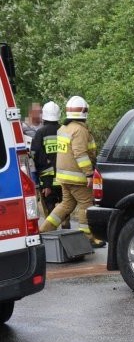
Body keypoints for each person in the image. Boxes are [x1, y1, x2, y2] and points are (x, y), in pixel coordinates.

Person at [39, 96, 104, 248]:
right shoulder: (79, 130)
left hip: (63, 177)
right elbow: (80, 154)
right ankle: (87, 237)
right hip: (78, 178)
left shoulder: (64, 129)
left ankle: (43, 230)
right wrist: (89, 174)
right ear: (84, 112)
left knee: (66, 205)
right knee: (86, 205)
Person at [30, 101, 64, 220]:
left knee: (50, 208)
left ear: (44, 115)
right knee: (65, 206)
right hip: (64, 178)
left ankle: (51, 231)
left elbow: (34, 154)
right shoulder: (64, 130)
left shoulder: (40, 132)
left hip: (47, 180)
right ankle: (66, 224)